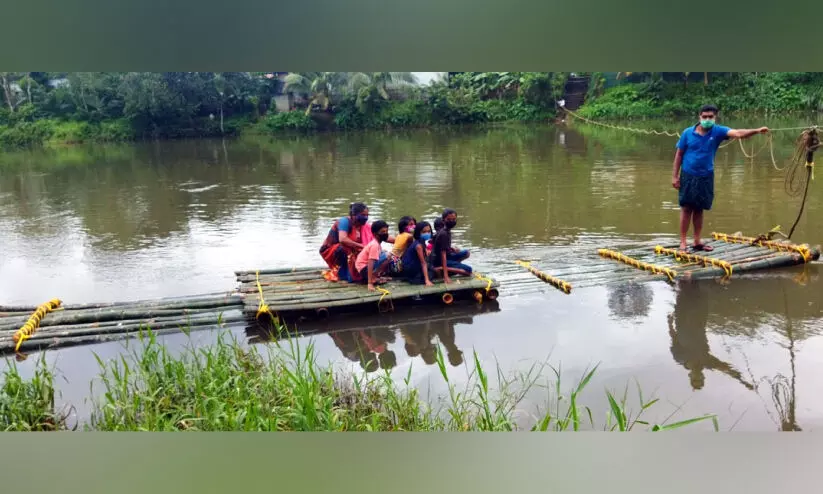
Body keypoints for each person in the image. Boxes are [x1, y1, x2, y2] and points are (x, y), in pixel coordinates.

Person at [672, 105, 769, 252]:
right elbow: (679, 155)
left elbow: (738, 133)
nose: (707, 119)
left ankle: (697, 240)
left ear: (715, 117)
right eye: (704, 117)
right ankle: (683, 242)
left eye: (710, 117)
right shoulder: (687, 133)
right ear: (699, 117)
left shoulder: (717, 131)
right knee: (686, 209)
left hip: (706, 176)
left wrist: (756, 131)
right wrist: (675, 177)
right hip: (688, 175)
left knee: (699, 209)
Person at [319, 202, 374, 282]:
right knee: (343, 248)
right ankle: (340, 272)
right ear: (354, 215)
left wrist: (396, 240)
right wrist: (361, 246)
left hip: (350, 250)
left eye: (367, 215)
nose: (365, 217)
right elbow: (342, 239)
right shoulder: (344, 221)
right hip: (331, 251)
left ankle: (352, 272)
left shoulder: (363, 225)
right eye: (363, 215)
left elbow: (379, 234)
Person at [430, 208, 472, 284]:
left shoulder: (445, 231)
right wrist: (446, 277)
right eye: (449, 219)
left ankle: (454, 265)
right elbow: (443, 255)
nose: (452, 221)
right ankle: (441, 269)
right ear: (443, 220)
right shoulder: (444, 234)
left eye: (454, 219)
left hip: (448, 256)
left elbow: (434, 241)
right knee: (468, 271)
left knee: (466, 253)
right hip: (440, 261)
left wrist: (451, 248)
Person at [354, 220, 392, 291]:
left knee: (386, 254)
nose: (385, 233)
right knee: (387, 255)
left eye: (386, 231)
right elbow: (371, 263)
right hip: (364, 270)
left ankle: (375, 276)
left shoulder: (377, 243)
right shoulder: (374, 245)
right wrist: (369, 283)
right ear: (375, 234)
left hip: (364, 268)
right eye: (383, 232)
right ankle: (372, 278)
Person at [400, 221, 435, 286]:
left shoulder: (420, 241)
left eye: (429, 231)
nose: (427, 233)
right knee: (431, 273)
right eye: (424, 232)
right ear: (418, 233)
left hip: (409, 267)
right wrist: (427, 280)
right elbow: (423, 263)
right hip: (412, 269)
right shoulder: (418, 245)